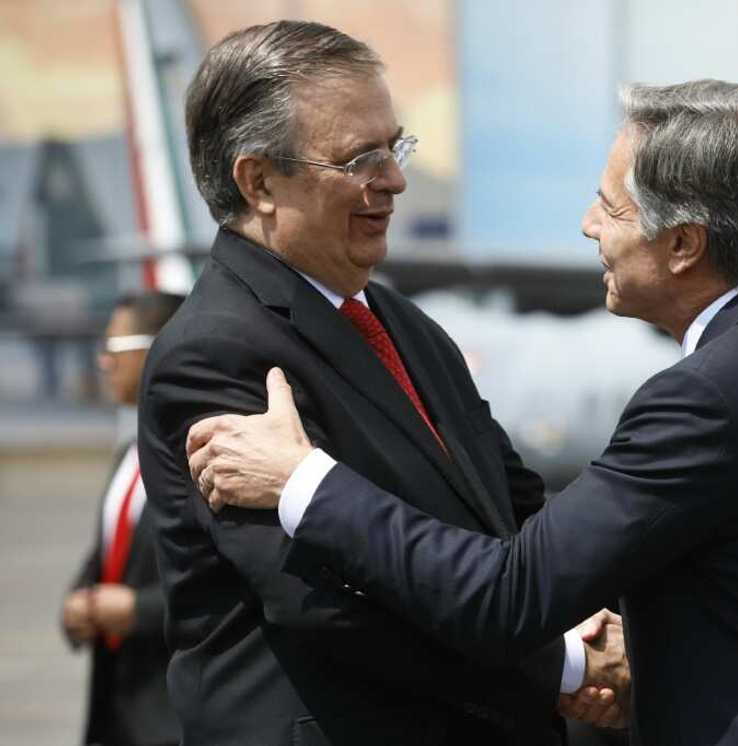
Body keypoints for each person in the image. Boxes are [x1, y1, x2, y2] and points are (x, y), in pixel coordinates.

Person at [187, 80, 738, 746]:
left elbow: (509, 596)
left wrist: (304, 482)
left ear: (683, 244)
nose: (589, 226)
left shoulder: (709, 397)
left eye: (610, 206)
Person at [136, 20, 625, 746]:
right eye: (360, 158)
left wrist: (588, 613)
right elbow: (326, 602)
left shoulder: (398, 321)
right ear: (260, 182)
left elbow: (509, 505)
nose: (394, 180)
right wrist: (559, 664)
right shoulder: (213, 354)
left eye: (394, 148)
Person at [61, 291, 183, 746]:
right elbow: (107, 552)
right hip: (114, 718)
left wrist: (135, 610)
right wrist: (78, 602)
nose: (103, 362)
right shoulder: (130, 452)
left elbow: (227, 584)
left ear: (157, 348)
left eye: (113, 348)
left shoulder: (199, 460)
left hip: (172, 720)